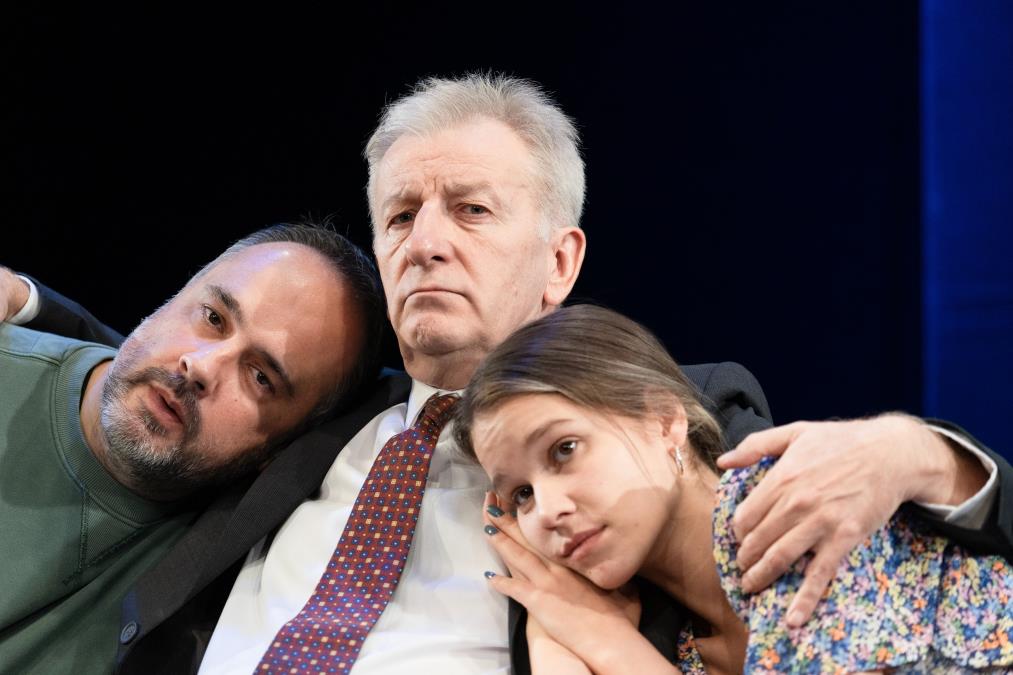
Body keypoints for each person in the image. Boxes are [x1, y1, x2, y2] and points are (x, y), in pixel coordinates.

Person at [2, 74, 1010, 674]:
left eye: (471, 210)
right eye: (400, 215)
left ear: (559, 262)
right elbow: (186, 373)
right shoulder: (315, 410)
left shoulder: (649, 415)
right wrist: (35, 307)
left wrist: (921, 450)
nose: (425, 242)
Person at [455, 304, 1013, 673]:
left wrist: (609, 645)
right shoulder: (677, 640)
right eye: (521, 494)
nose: (548, 510)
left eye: (564, 449)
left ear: (664, 420)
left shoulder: (788, 508)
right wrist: (555, 638)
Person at [0, 222, 384, 673]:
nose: (201, 366)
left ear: (280, 449)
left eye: (260, 377)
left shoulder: (220, 582)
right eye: (213, 318)